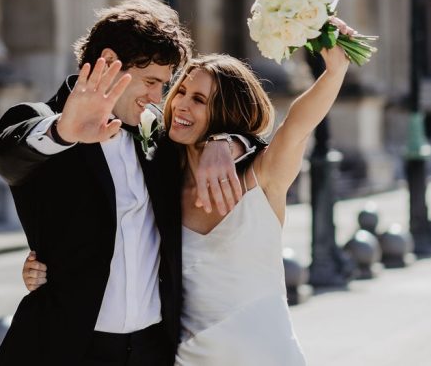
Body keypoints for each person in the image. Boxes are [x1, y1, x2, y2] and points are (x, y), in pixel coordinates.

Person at [23, 24, 354, 365]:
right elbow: (112, 228)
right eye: (179, 91)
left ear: (225, 112)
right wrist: (50, 263)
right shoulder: (161, 177)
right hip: (188, 357)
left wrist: (334, 72)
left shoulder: (262, 177)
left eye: (198, 100)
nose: (179, 104)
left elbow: (296, 126)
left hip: (265, 354)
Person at [0, 0, 244, 366]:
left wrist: (226, 142)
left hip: (153, 350)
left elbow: (259, 135)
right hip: (66, 349)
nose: (159, 97)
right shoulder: (42, 123)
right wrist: (64, 132)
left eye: (164, 84)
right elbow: (7, 159)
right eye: (151, 82)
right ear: (109, 63)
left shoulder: (160, 135)